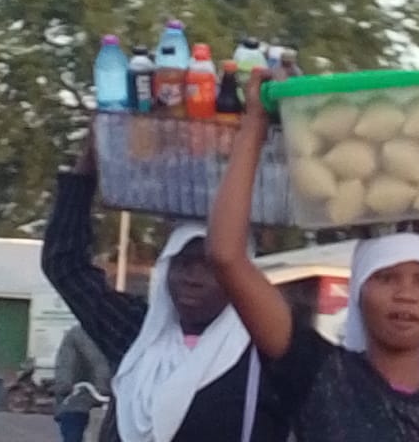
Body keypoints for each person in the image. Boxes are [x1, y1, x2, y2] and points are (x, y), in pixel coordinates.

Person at [208, 70, 419, 442]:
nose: (405, 294)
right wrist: (254, 127)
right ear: (358, 289)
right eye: (386, 277)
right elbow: (227, 256)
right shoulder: (319, 373)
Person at [41, 126, 289, 442]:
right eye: (183, 263)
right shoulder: (138, 332)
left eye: (211, 266)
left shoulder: (265, 357)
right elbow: (65, 264)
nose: (192, 278)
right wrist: (93, 154)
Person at [54, 323, 111, 442]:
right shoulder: (77, 334)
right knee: (73, 432)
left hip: (112, 398)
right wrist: (65, 385)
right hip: (79, 397)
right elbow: (66, 364)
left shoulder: (117, 332)